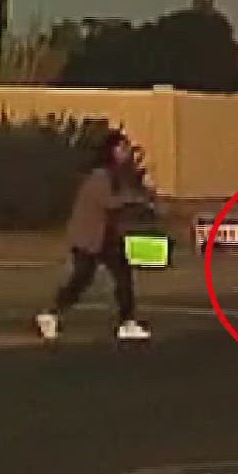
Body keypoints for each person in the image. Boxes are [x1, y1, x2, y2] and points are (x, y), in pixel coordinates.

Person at [36, 130, 153, 342]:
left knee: (123, 276)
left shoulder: (116, 174)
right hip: (89, 237)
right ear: (111, 150)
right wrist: (134, 199)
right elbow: (109, 202)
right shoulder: (101, 175)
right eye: (122, 148)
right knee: (82, 278)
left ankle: (127, 322)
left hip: (107, 237)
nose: (126, 152)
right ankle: (51, 313)